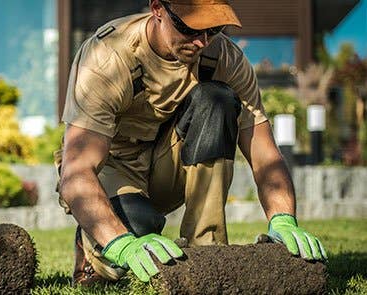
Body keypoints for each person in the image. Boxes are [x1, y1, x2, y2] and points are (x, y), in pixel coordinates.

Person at [55, 0, 327, 286]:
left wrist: (283, 218)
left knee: (217, 100)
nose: (201, 41)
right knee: (138, 227)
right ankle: (93, 251)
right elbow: (77, 171)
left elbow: (265, 156)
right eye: (189, 27)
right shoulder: (108, 57)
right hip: (112, 169)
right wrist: (120, 243)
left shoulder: (225, 58)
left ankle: (206, 251)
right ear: (157, 9)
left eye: (214, 28)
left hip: (164, 166)